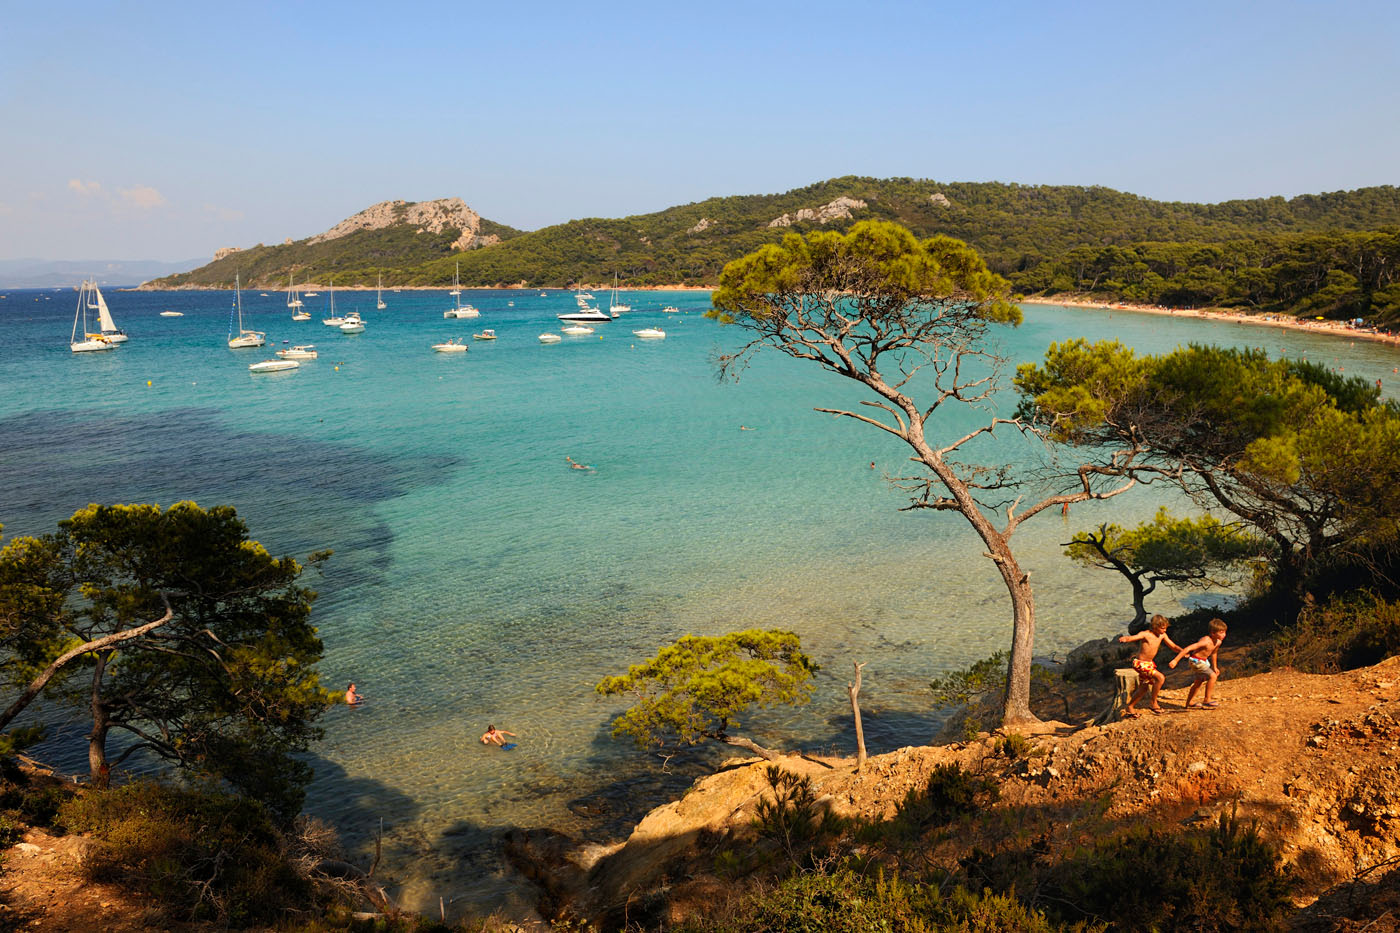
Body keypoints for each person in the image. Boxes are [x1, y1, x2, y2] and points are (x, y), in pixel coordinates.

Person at [1117, 614, 1184, 716]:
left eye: (1166, 628)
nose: (1165, 630)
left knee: (1143, 688)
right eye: (1162, 628)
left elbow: (1173, 646)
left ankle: (1130, 707)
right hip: (1140, 663)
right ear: (1154, 627)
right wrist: (1126, 638)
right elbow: (1135, 637)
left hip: (1149, 664)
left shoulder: (1162, 635)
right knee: (1160, 678)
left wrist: (1182, 651)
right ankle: (1153, 703)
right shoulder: (1146, 634)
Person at [1169, 618, 1228, 709]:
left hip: (1203, 662)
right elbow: (1188, 649)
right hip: (1195, 661)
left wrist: (1215, 667)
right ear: (1212, 633)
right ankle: (1207, 699)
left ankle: (1189, 702)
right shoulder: (1205, 641)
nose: (1224, 635)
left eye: (1224, 632)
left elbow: (1214, 653)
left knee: (1198, 682)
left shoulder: (1218, 642)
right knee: (1213, 676)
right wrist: (1175, 660)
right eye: (1221, 632)